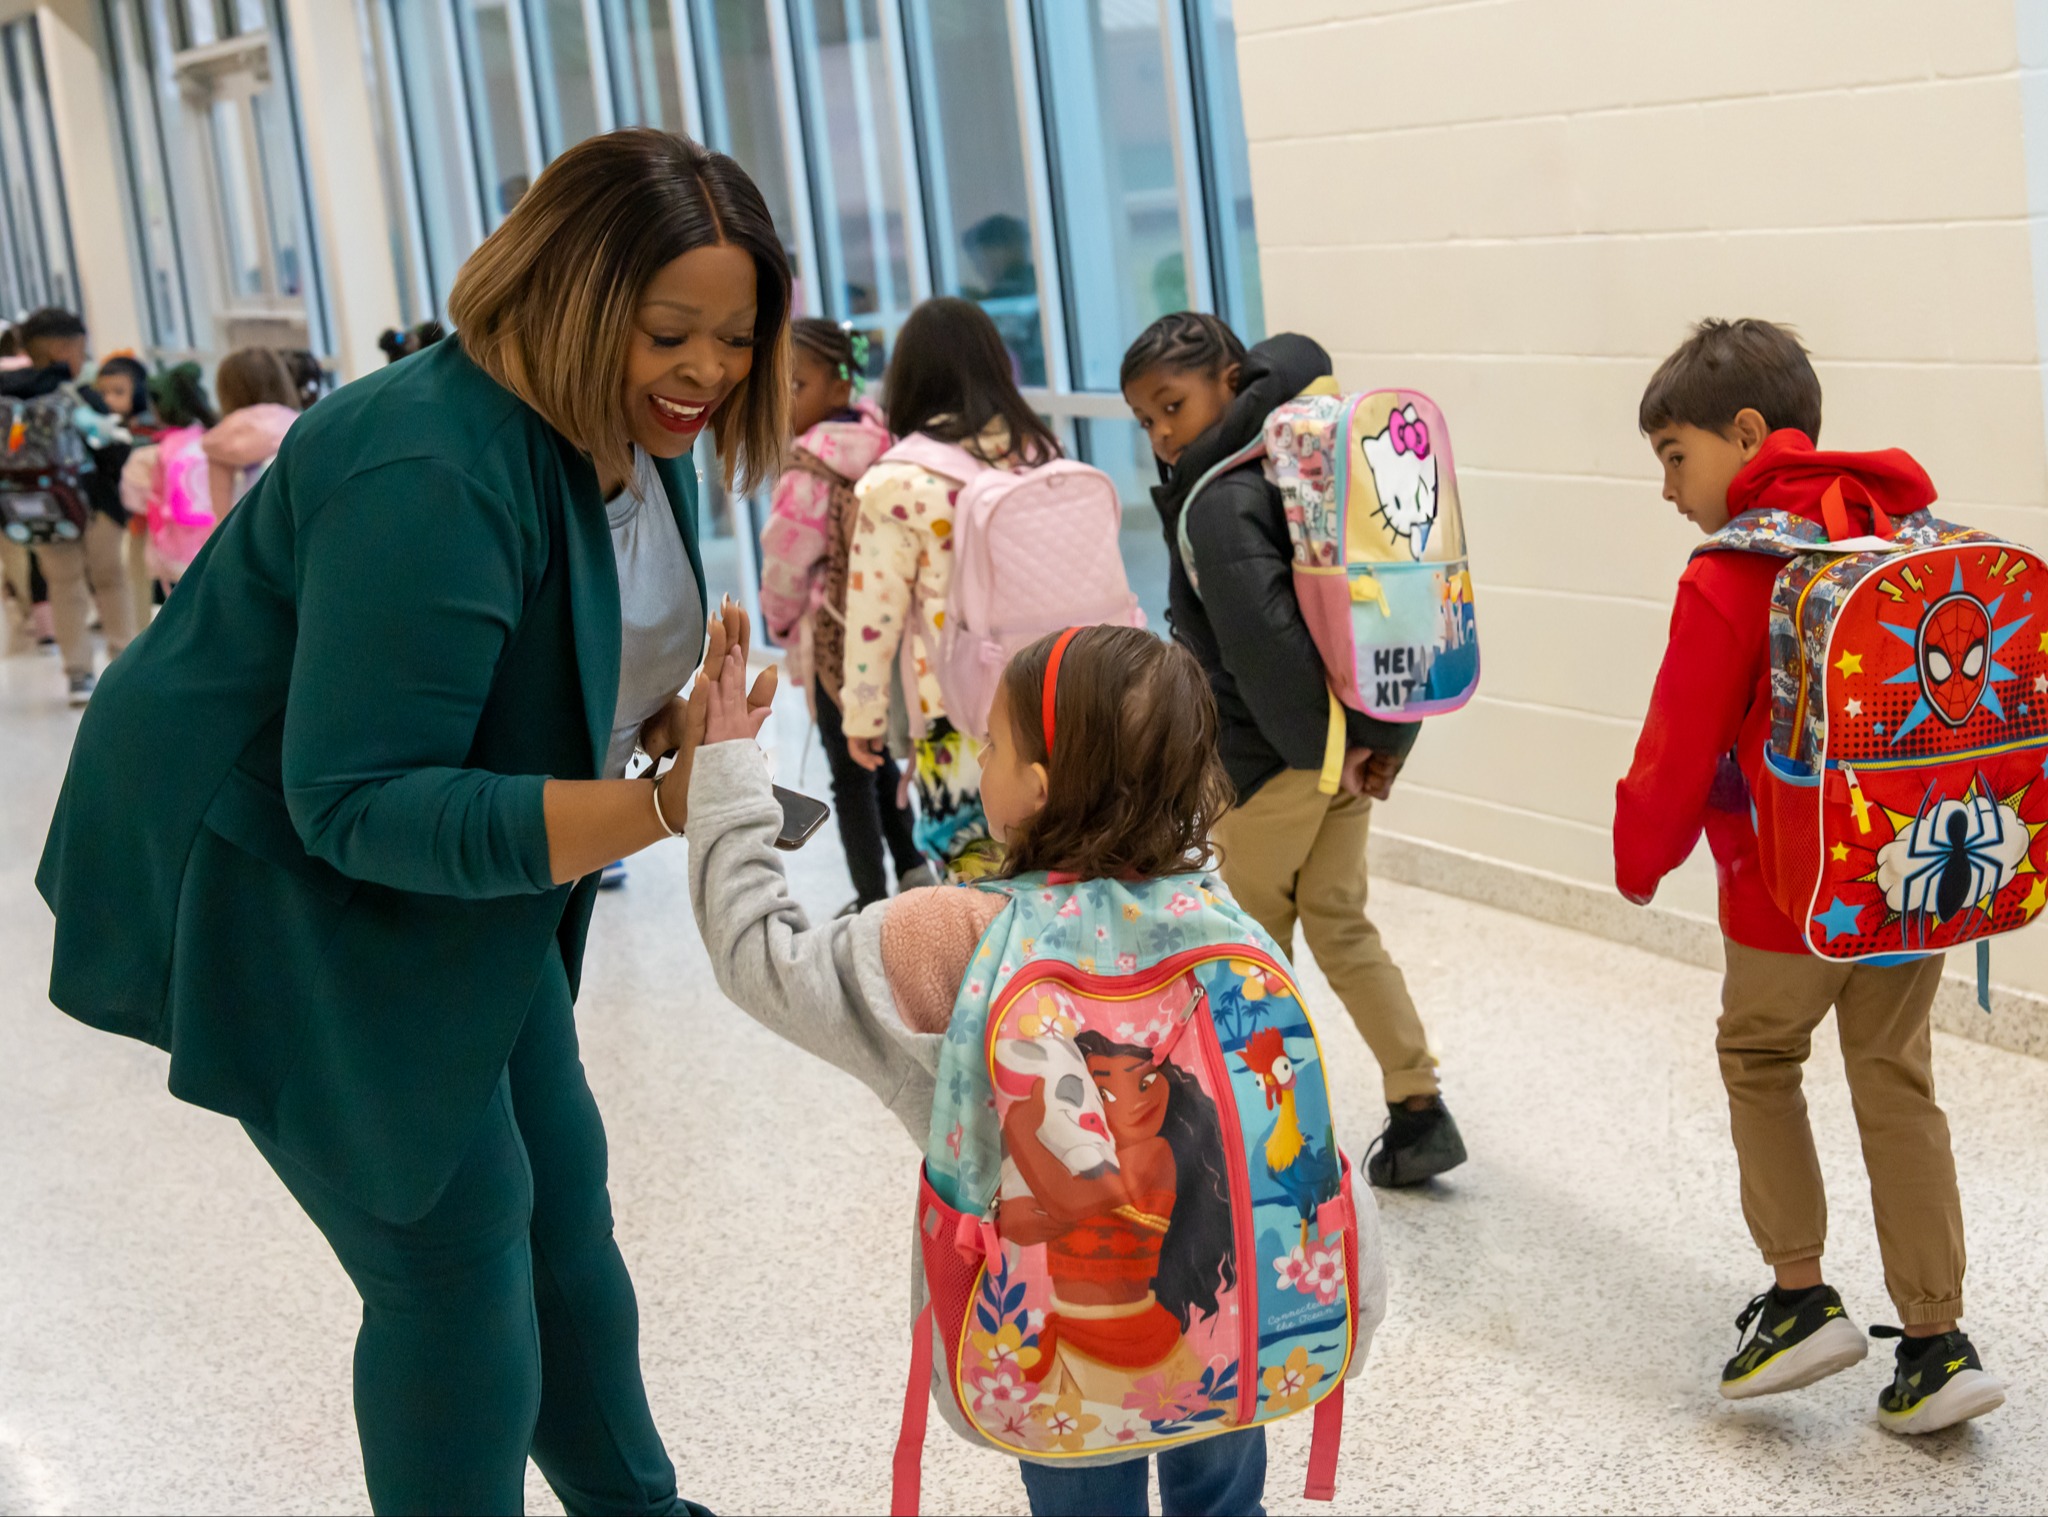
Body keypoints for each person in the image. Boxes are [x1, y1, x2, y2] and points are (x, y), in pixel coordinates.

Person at [38, 127, 790, 1514]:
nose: (706, 372)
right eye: (668, 330)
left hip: (464, 879)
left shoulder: (632, 431)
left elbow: (553, 652)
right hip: (290, 894)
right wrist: (649, 805)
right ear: (565, 293)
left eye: (737, 339)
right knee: (452, 1271)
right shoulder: (425, 468)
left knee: (564, 1215)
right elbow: (358, 800)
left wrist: (669, 721)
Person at [685, 623, 1386, 1517]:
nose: (979, 758)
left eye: (992, 744)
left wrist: (730, 773)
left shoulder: (949, 940)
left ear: (1036, 790)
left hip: (1057, 1350)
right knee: (1220, 1473)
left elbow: (757, 955)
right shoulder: (1223, 923)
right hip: (1226, 1323)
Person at [1615, 317, 2004, 1432]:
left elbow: (1674, 750)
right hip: (1917, 874)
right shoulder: (1907, 531)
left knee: (1758, 1052)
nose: (1667, 488)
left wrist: (1639, 860)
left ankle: (1798, 1298)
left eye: (1673, 455)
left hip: (1783, 893)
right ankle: (1934, 1340)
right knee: (1894, 1078)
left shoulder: (1735, 568)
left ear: (1745, 434)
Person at [1120, 312, 1466, 1188]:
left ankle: (1258, 1132)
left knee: (1247, 945)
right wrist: (1370, 746)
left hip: (1273, 764)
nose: (1163, 432)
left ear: (1230, 383)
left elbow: (1264, 651)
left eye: (1173, 405)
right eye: (1146, 419)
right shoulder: (1294, 460)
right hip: (1349, 744)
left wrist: (1321, 754)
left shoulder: (1221, 498)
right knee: (1342, 924)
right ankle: (1418, 1102)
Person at [841, 296, 1064, 882]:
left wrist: (862, 714)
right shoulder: (1040, 455)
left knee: (975, 866)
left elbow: (873, 615)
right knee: (1062, 855)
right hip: (1058, 693)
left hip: (957, 708)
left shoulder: (897, 482)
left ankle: (992, 970)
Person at [757, 317, 927, 911]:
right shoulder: (889, 448)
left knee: (849, 775)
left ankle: (871, 900)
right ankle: (912, 867)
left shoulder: (808, 472)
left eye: (796, 385)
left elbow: (784, 561)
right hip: (895, 635)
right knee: (879, 756)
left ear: (839, 385)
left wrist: (778, 624)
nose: (784, 400)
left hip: (834, 645)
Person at [5, 307, 136, 705]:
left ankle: (78, 674)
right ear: (65, 348)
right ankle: (124, 663)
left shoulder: (9, 393)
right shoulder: (77, 393)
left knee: (63, 585)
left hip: (40, 507)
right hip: (92, 502)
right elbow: (112, 447)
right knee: (110, 580)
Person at [94, 353, 162, 635]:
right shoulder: (105, 430)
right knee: (136, 579)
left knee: (147, 579)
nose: (109, 399)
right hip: (134, 520)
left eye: (119, 392)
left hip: (157, 518)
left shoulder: (150, 431)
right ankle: (141, 636)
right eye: (103, 392)